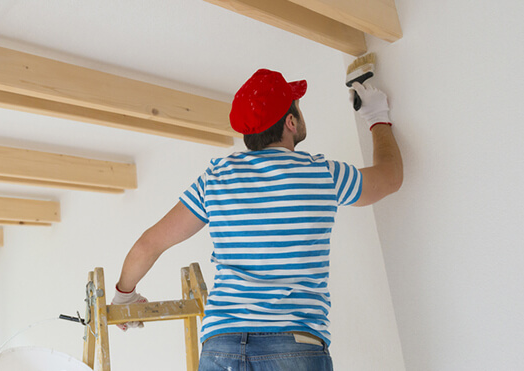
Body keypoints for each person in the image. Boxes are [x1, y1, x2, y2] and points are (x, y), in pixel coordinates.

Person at [111, 69, 402, 370]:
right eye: (297, 108)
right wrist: (376, 116)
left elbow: (149, 244)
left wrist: (124, 297)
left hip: (222, 347)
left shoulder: (217, 178)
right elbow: (390, 178)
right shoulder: (321, 174)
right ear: (291, 122)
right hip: (294, 346)